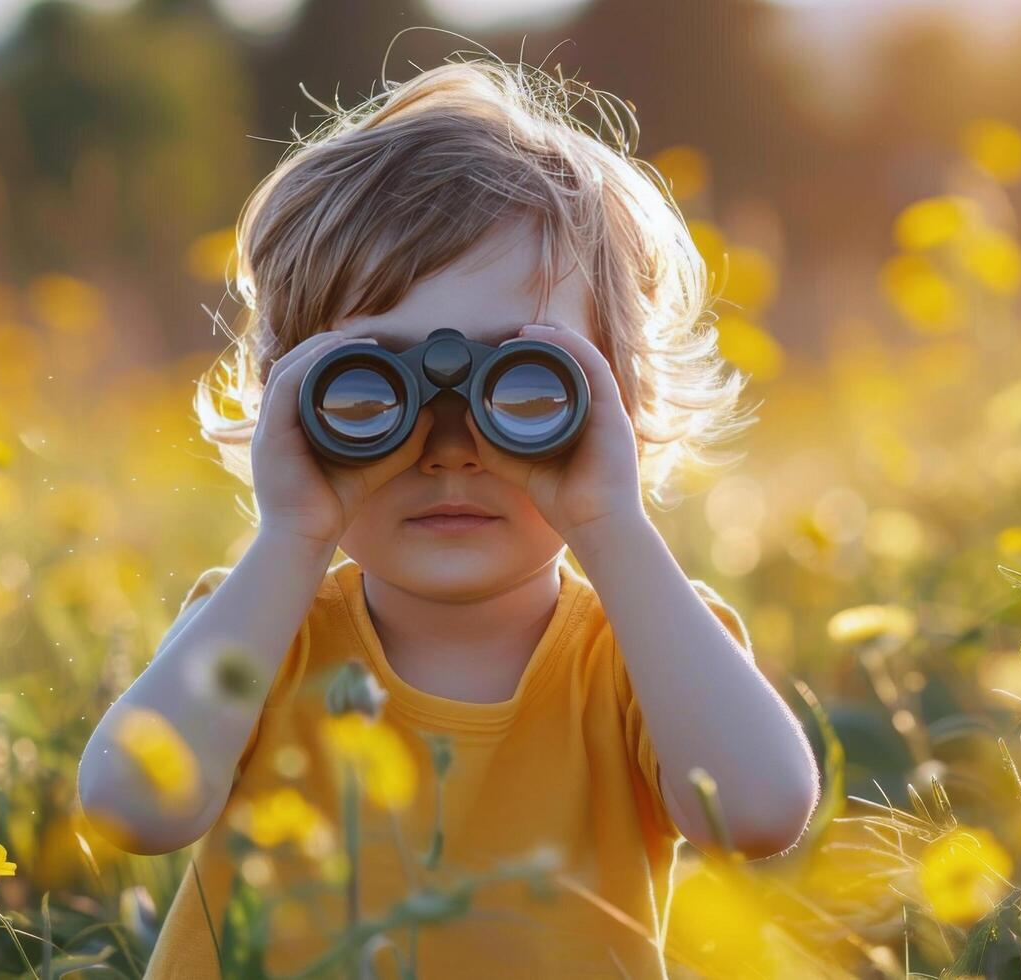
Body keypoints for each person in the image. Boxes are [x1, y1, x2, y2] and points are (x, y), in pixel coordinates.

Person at [79, 53, 819, 978]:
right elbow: (130, 808)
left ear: (617, 403)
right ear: (286, 406)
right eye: (363, 391)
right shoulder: (263, 633)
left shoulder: (643, 654)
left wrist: (610, 521)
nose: (448, 446)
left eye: (524, 384)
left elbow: (756, 814)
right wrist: (292, 537)